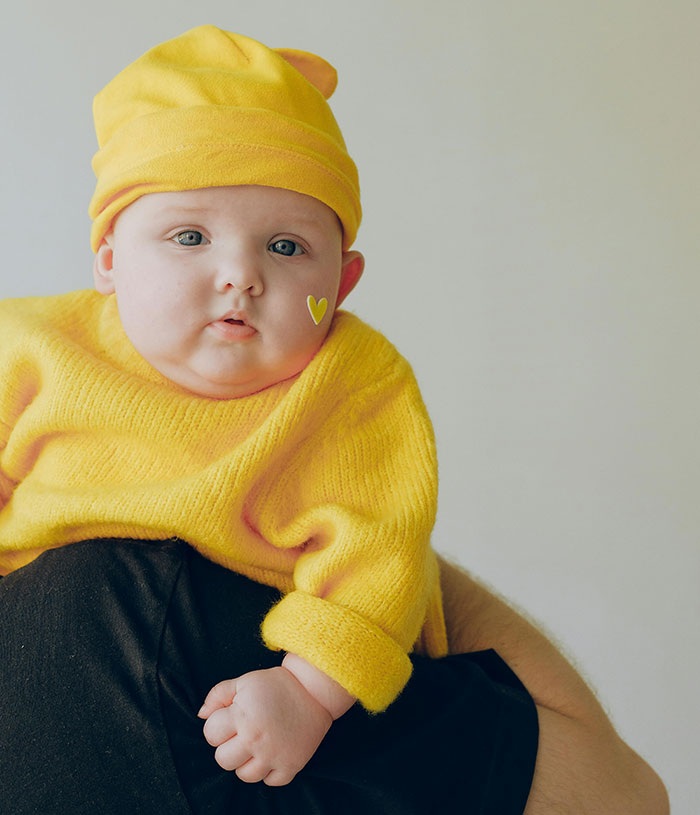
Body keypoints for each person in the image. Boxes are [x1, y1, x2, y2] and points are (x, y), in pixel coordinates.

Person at [0, 24, 667, 815]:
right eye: (189, 236)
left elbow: (379, 551)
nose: (239, 274)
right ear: (109, 257)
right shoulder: (34, 347)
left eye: (286, 247)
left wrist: (309, 691)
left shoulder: (352, 383)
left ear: (343, 282)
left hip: (290, 659)